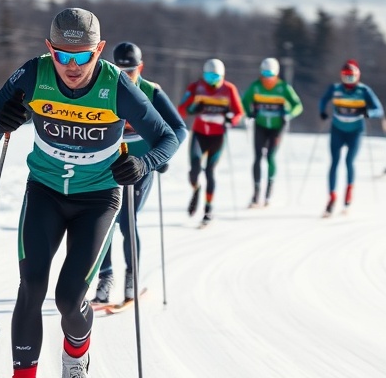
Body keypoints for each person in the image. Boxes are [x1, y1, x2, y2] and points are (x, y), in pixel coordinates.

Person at [0, 8, 177, 378]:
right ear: (50, 49)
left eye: (83, 57)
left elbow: (168, 137)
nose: (72, 67)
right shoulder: (32, 74)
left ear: (98, 51)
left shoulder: (116, 84)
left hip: (98, 200)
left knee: (69, 299)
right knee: (31, 288)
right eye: (63, 56)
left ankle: (76, 362)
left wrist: (142, 163)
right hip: (44, 192)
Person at [89, 42, 187, 306]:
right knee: (104, 221)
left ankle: (132, 276)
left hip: (140, 165)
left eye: (131, 70)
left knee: (126, 219)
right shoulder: (103, 87)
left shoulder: (151, 92)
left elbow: (179, 129)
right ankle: (105, 277)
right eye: (120, 69)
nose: (126, 75)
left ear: (140, 68)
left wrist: (159, 156)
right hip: (108, 164)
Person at [177, 58, 245, 225]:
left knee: (210, 172)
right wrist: (193, 108)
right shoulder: (196, 87)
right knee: (194, 171)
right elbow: (181, 109)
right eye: (208, 76)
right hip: (200, 134)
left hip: (217, 136)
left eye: (215, 77)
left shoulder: (229, 89)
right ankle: (196, 189)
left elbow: (239, 112)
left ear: (222, 76)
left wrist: (231, 120)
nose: (211, 81)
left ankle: (208, 209)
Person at [318, 59, 384, 216]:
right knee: (334, 162)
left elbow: (379, 109)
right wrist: (322, 111)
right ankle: (332, 197)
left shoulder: (364, 90)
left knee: (349, 161)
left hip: (355, 131)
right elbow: (323, 100)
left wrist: (369, 113)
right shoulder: (335, 88)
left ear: (357, 76)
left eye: (352, 77)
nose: (349, 81)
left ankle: (349, 191)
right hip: (337, 129)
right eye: (346, 77)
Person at [240, 57, 303, 207]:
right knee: (257, 157)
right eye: (264, 74)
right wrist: (249, 114)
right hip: (261, 125)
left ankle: (268, 192)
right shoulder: (255, 87)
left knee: (270, 156)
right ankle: (256, 194)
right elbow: (243, 102)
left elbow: (298, 105)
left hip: (277, 127)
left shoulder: (283, 88)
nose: (267, 79)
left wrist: (289, 114)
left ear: (276, 74)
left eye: (270, 75)